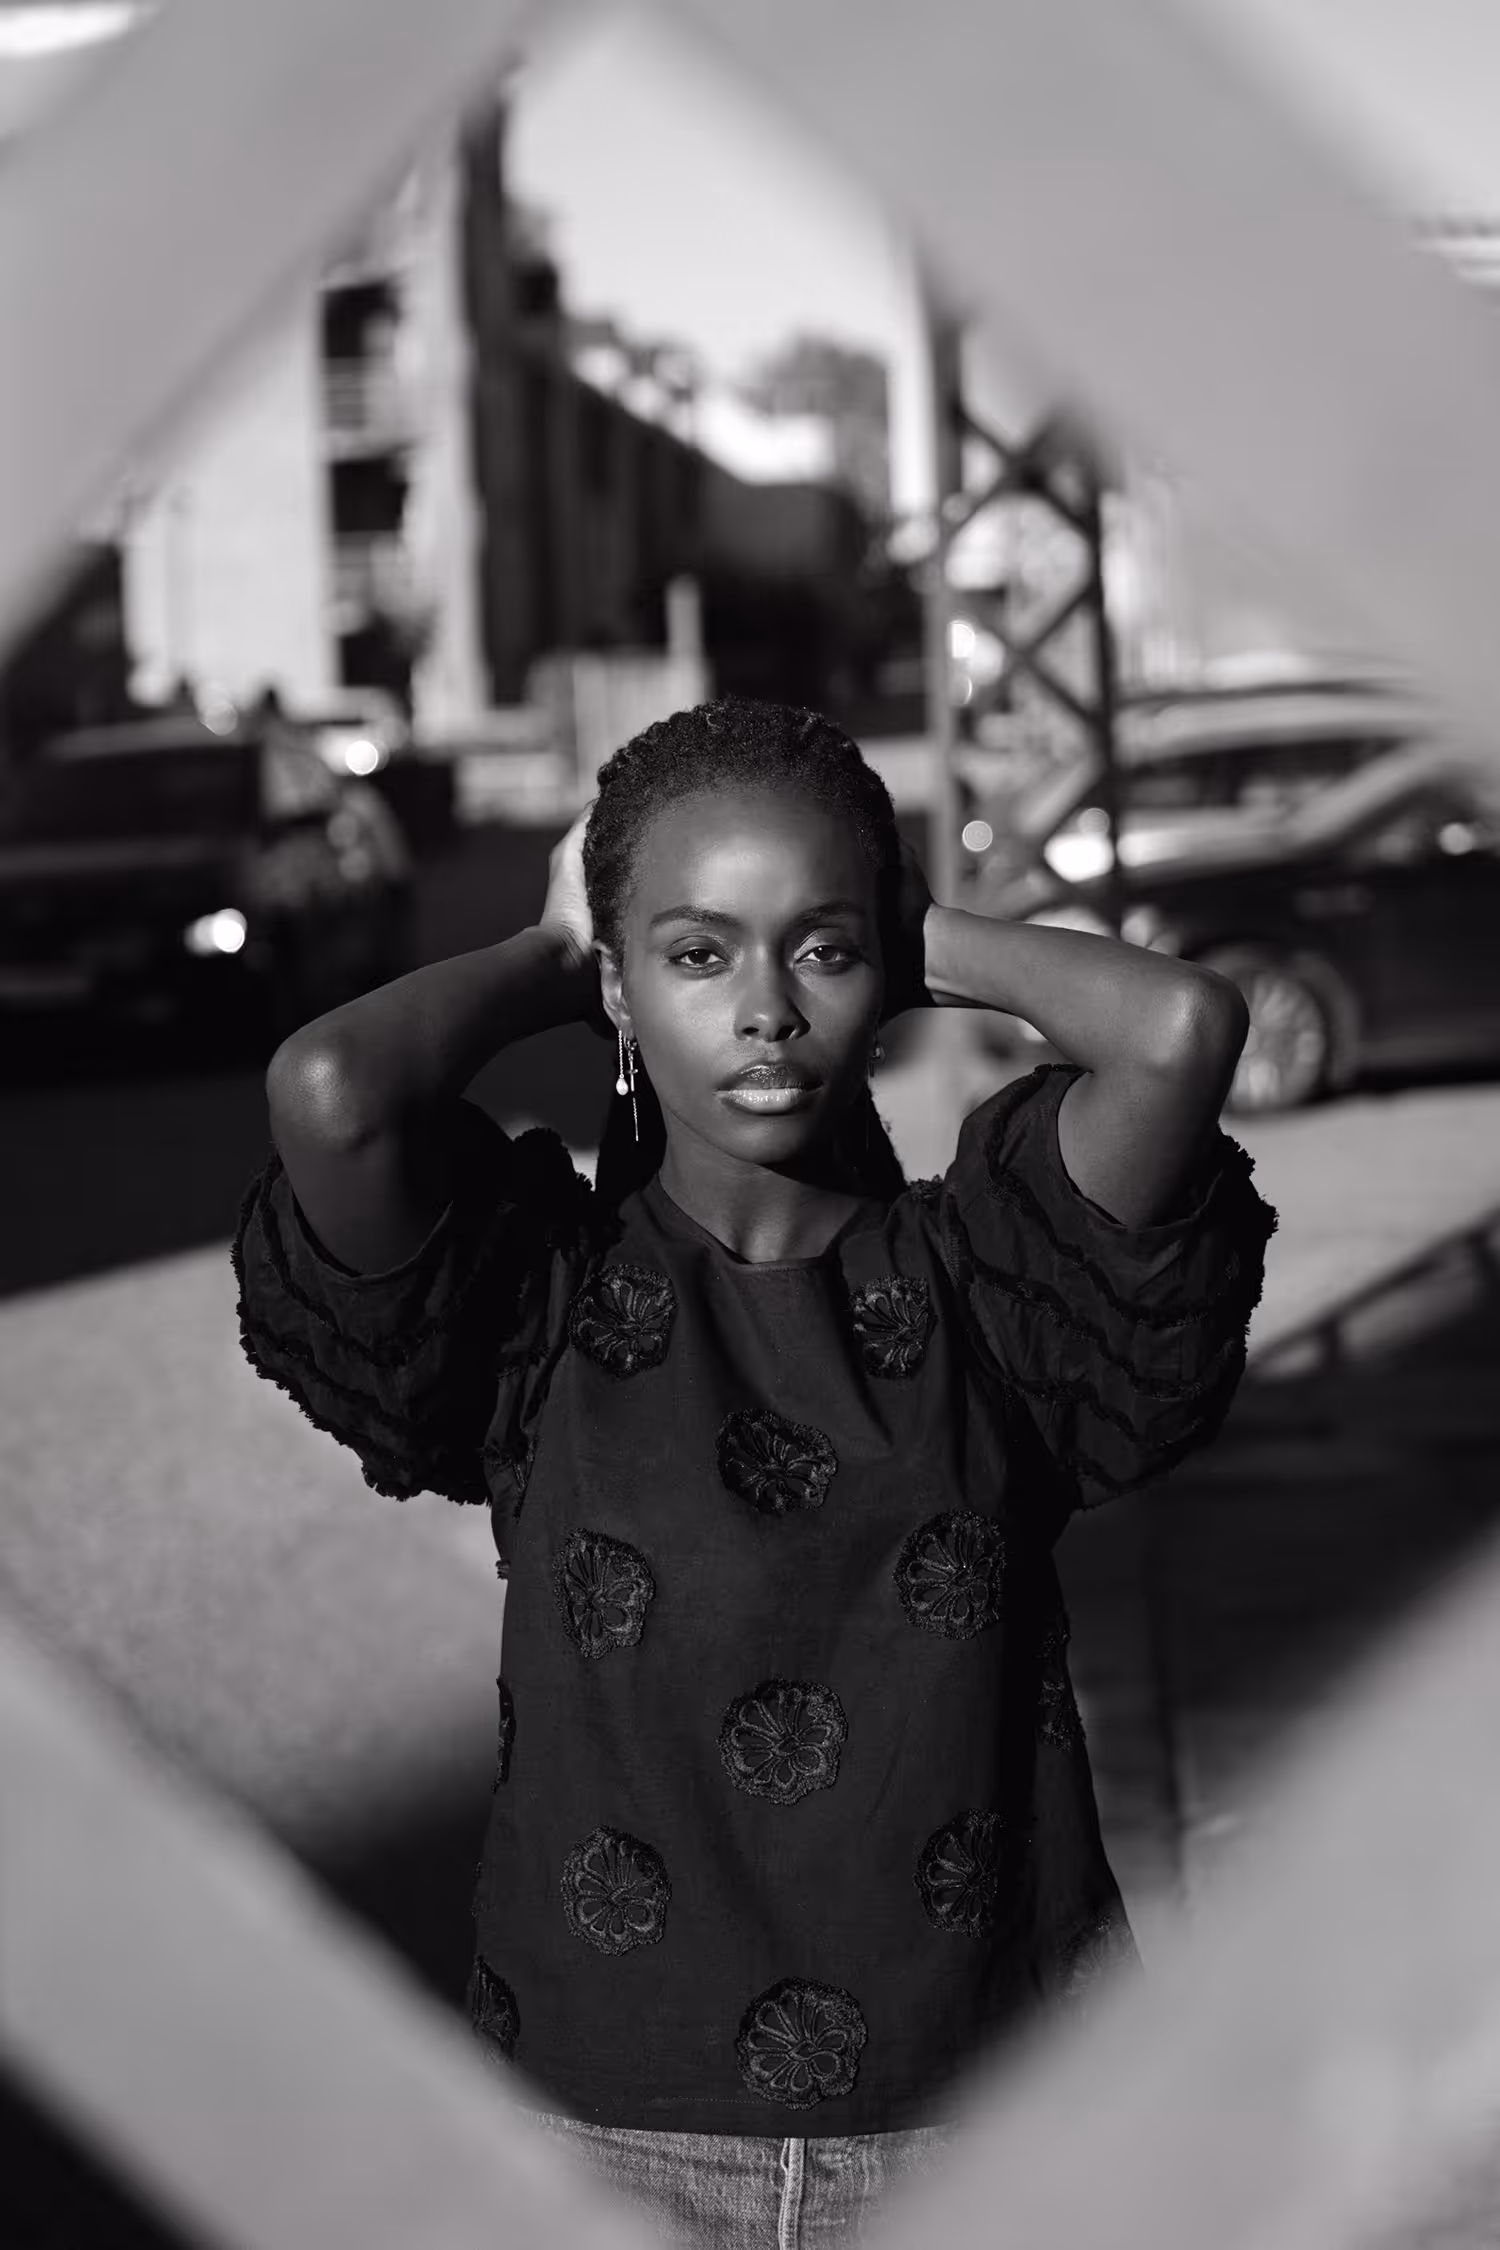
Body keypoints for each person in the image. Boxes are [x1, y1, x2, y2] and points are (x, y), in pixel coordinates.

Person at [231, 697, 1276, 2248]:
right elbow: (330, 1089)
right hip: (598, 2136)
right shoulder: (539, 1307)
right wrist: (546, 959)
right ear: (621, 982)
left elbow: (1180, 1029)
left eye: (824, 951)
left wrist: (913, 924)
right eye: (699, 952)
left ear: (890, 972)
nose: (767, 1010)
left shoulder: (996, 1285)